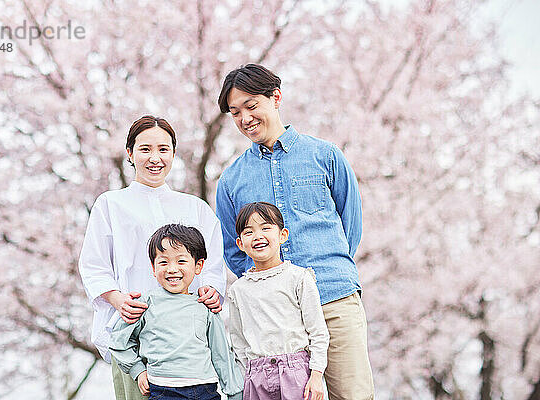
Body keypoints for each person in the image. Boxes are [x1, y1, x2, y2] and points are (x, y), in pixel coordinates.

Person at [215, 64, 374, 400]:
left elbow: (351, 227)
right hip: (276, 322)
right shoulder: (232, 180)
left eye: (251, 106)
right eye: (235, 112)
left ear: (276, 97)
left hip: (333, 298)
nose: (244, 119)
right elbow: (233, 249)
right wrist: (270, 290)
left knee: (353, 395)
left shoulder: (325, 156)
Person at [79, 115, 226, 400]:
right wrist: (117, 299)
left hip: (187, 347)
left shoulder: (195, 209)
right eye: (145, 149)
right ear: (130, 153)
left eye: (163, 149)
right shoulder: (110, 204)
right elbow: (94, 266)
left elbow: (212, 266)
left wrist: (210, 291)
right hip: (132, 335)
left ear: (173, 153)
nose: (155, 158)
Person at [109, 224, 244, 400]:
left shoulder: (205, 306)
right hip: (164, 391)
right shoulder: (145, 303)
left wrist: (234, 392)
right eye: (163, 262)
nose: (172, 269)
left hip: (205, 390)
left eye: (181, 261)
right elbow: (119, 340)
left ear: (198, 265)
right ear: (153, 267)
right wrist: (138, 370)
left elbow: (222, 354)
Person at [227, 202, 329, 400]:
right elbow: (238, 340)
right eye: (249, 232)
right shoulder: (238, 290)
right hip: (256, 377)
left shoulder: (298, 278)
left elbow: (318, 332)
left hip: (296, 373)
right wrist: (244, 376)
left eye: (266, 228)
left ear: (282, 235)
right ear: (240, 243)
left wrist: (316, 375)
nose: (258, 236)